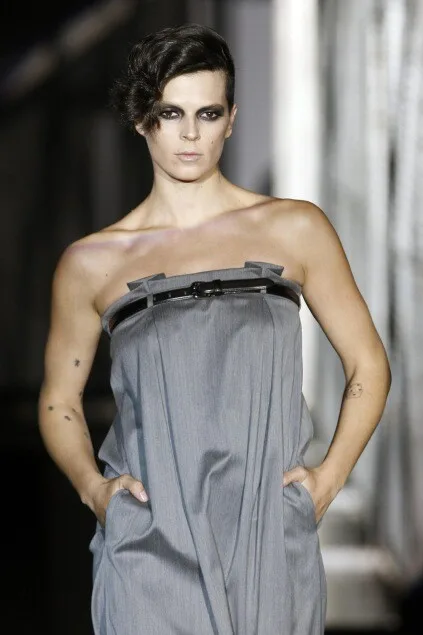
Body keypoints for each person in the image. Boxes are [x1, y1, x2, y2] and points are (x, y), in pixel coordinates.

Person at [37, 22, 391, 635]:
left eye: (208, 113)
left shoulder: (295, 229)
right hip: (148, 546)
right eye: (171, 113)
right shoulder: (92, 263)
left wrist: (327, 482)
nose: (190, 134)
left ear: (231, 119)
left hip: (267, 542)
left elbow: (369, 364)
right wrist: (95, 492)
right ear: (142, 119)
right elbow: (58, 401)